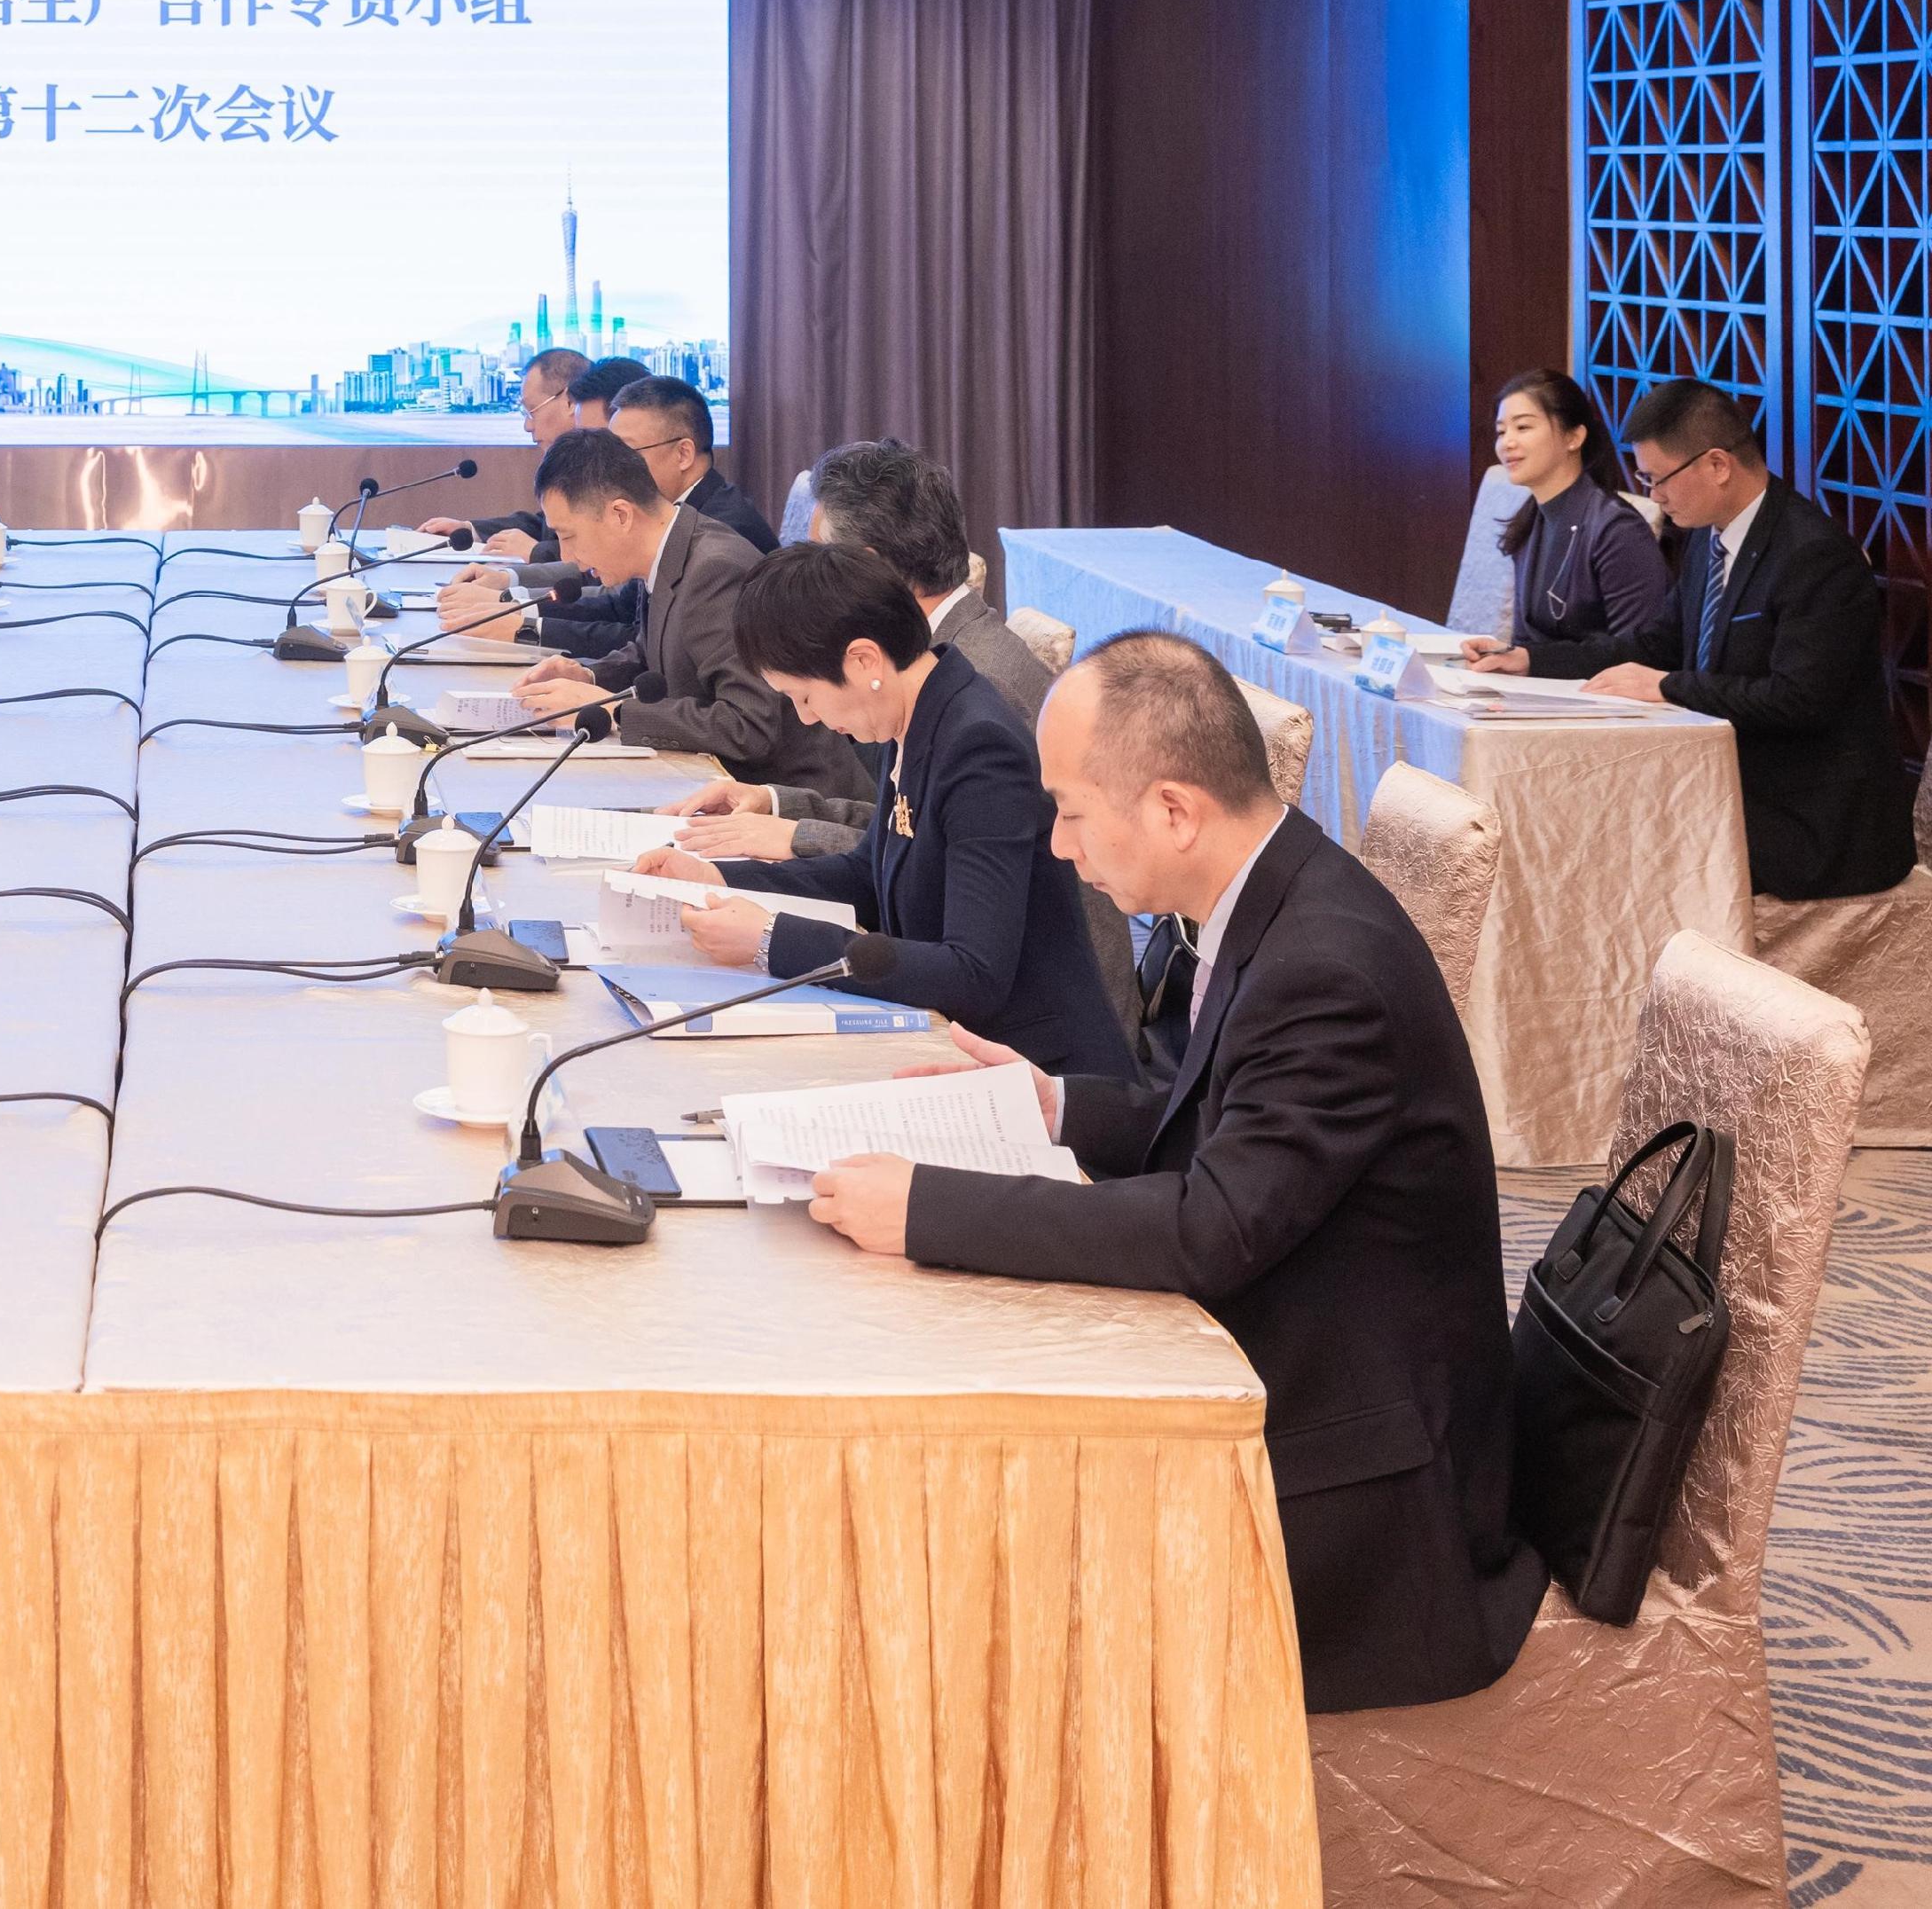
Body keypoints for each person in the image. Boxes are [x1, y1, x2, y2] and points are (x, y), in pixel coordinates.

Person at [805, 630, 1545, 1715]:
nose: (1056, 847)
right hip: (1308, 1356)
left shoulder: (1323, 967)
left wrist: (924, 1206)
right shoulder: (1271, 898)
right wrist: (1052, 1102)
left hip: (1359, 1489)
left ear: (1171, 810)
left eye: (1068, 810)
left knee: (984, 1542)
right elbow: (1225, 1127)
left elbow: (1211, 1226)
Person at [628, 542, 1135, 1079]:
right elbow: (866, 873)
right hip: (953, 1043)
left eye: (804, 696)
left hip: (1041, 1076)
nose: (805, 719)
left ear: (864, 660)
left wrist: (774, 940)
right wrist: (718, 877)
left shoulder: (979, 746)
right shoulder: (915, 712)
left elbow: (974, 973)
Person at [1465, 377, 1915, 900]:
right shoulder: (1709, 536)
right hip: (1727, 781)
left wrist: (1667, 687)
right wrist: (1529, 660)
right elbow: (1654, 644)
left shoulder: (1812, 555)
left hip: (1812, 820)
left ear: (1717, 465)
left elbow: (1800, 700)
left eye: (1658, 479)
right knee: (1569, 814)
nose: (1652, 496)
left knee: (1613, 846)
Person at [665, 439, 1048, 863]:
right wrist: (775, 804)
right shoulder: (919, 651)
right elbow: (899, 819)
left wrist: (796, 837)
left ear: (867, 567)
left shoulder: (978, 680)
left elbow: (937, 860)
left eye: (821, 560)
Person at [502, 430, 866, 794]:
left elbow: (749, 726)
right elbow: (654, 656)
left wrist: (613, 712)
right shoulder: (671, 553)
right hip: (710, 784)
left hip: (794, 801)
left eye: (569, 536)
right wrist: (588, 677)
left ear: (620, 515)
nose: (566, 557)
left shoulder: (715, 569)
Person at [437, 376, 773, 656]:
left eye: (625, 451)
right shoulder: (673, 521)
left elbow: (742, 717)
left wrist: (524, 625)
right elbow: (625, 615)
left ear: (683, 453)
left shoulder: (724, 536)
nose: (614, 465)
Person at [1473, 367, 1668, 647]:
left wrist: (1530, 662)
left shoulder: (1618, 529)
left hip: (1599, 688)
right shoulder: (1530, 518)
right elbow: (1525, 640)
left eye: (1523, 427)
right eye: (1501, 431)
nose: (1507, 443)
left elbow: (1636, 652)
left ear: (1573, 437)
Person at [425, 346, 588, 556]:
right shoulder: (571, 461)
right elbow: (545, 527)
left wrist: (536, 553)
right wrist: (469, 529)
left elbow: (601, 551)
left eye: (532, 411)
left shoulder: (606, 462)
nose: (527, 426)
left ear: (570, 402)